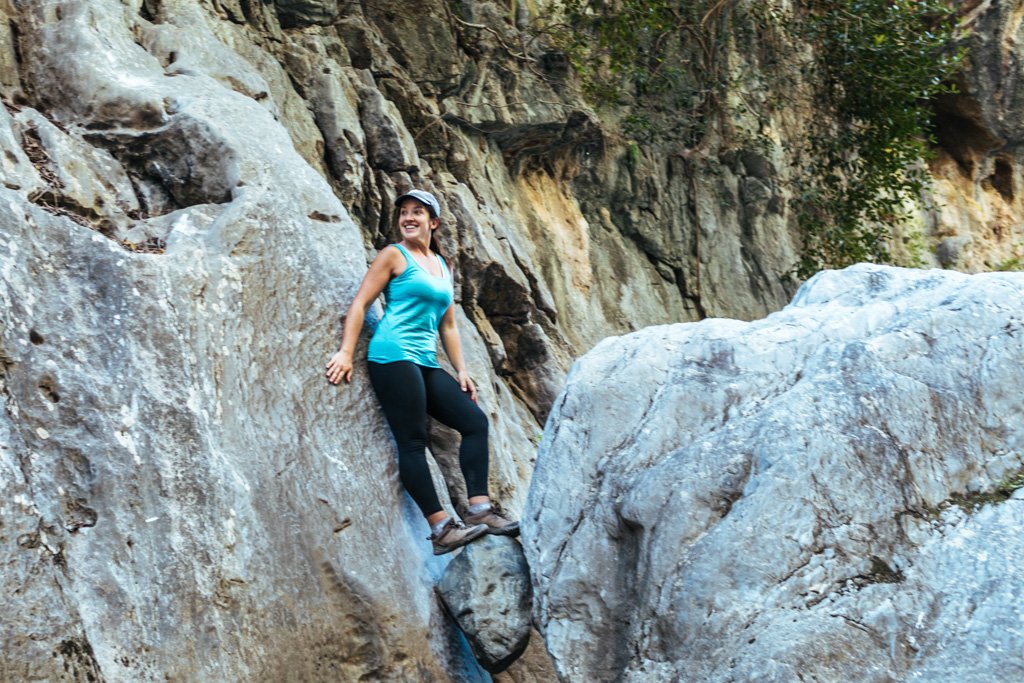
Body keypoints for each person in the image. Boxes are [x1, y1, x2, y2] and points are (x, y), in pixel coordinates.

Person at [325, 189, 519, 555]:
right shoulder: (393, 255)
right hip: (392, 356)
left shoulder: (442, 266)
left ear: (434, 222)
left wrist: (462, 370)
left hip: (426, 361)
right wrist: (346, 352)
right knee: (412, 440)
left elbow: (448, 325)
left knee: (475, 422)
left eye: (418, 212)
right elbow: (362, 302)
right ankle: (441, 528)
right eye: (403, 213)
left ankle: (479, 509)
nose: (408, 218)